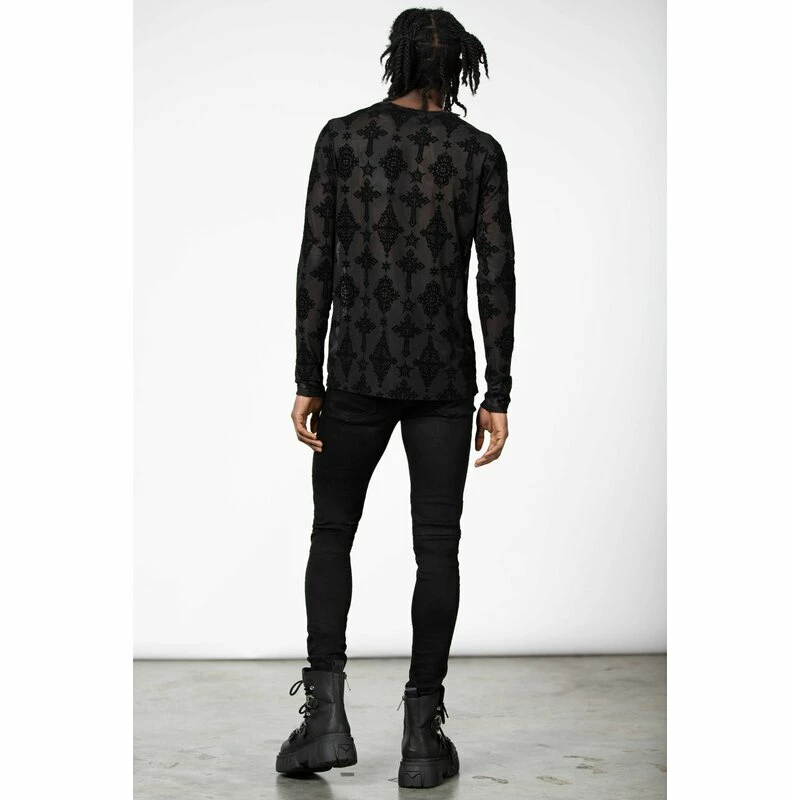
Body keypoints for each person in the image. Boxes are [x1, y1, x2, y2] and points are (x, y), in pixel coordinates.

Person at [276, 7, 516, 790]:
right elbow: (496, 276)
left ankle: (324, 722)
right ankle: (422, 737)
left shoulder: (342, 139)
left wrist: (308, 377)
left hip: (356, 370)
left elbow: (315, 262)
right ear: (459, 67)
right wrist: (497, 390)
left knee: (332, 533)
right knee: (437, 545)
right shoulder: (478, 152)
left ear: (397, 59)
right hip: (443, 379)